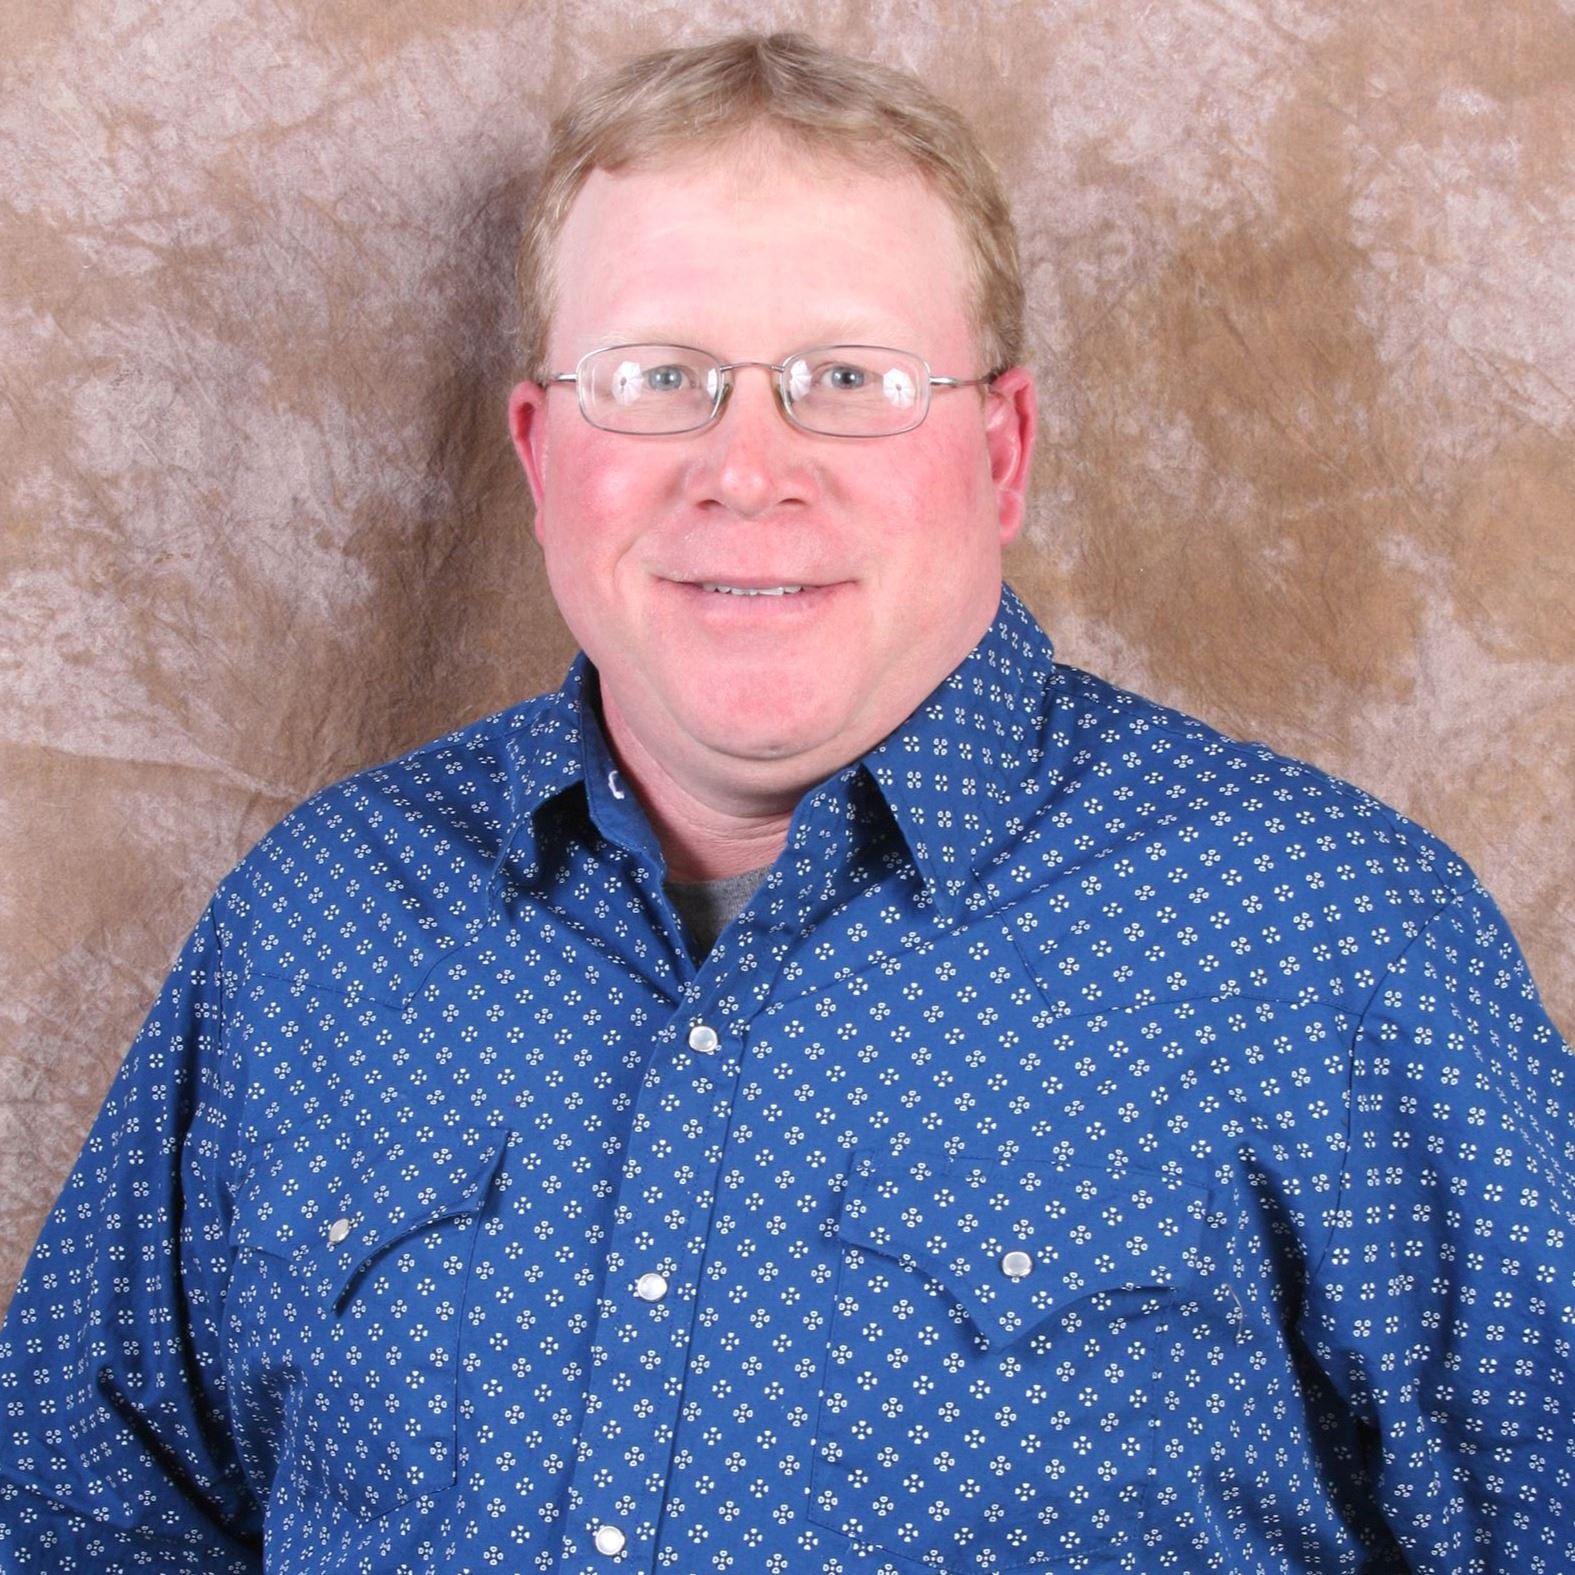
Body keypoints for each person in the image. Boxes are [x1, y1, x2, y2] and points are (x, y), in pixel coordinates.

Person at [1, 30, 1570, 1575]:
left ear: (1001, 450)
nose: (747, 470)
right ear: (544, 454)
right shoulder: (322, 923)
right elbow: (69, 1521)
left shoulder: (1334, 946)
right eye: (659, 378)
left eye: (847, 378)